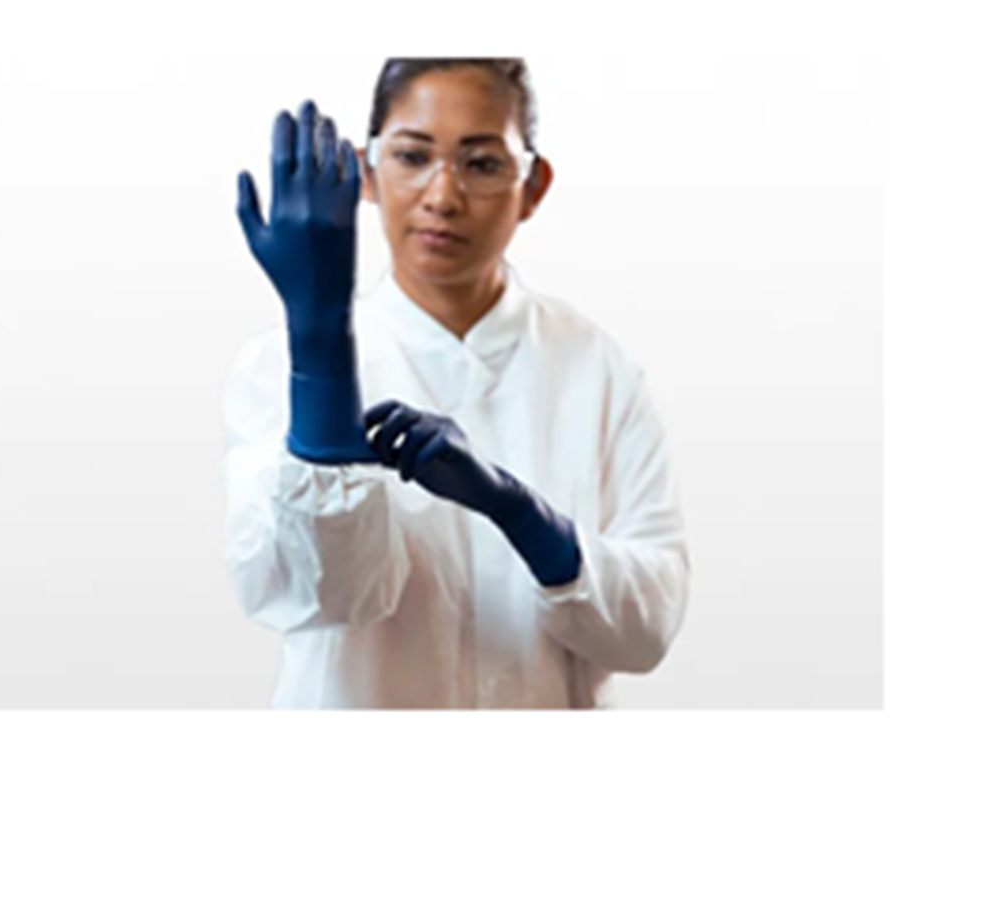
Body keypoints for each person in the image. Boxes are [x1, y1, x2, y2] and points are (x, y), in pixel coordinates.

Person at [222, 58, 690, 709]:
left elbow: (648, 630)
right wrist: (320, 341)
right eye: (412, 156)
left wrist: (524, 517)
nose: (442, 196)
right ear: (365, 172)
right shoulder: (278, 366)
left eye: (483, 163)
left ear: (533, 186)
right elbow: (312, 597)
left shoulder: (598, 368)